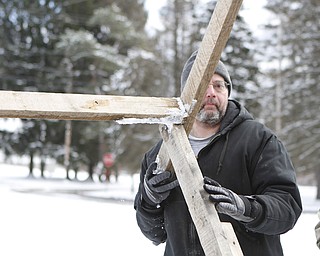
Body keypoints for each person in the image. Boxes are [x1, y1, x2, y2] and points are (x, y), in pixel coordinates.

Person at [134, 50, 302, 256]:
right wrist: (150, 200)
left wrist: (246, 208)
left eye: (219, 85)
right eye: (203, 85)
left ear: (227, 92)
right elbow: (154, 233)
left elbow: (287, 208)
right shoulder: (160, 155)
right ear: (186, 95)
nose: (211, 92)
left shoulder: (259, 140)